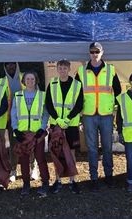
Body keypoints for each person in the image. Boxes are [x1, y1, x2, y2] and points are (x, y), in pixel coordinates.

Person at [75, 42, 122, 192]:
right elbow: (77, 93)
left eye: (97, 51)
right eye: (92, 51)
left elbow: (118, 91)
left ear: (102, 53)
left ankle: (109, 176)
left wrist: (109, 105)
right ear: (89, 53)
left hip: (106, 115)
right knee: (92, 149)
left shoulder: (111, 70)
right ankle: (94, 178)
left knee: (107, 148)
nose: (94, 54)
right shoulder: (81, 71)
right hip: (89, 115)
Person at [45, 59, 84, 194]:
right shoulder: (52, 84)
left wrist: (67, 118)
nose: (62, 71)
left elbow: (79, 104)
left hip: (71, 124)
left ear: (69, 69)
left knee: (71, 152)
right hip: (56, 125)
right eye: (60, 68)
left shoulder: (77, 85)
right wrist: (57, 119)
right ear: (57, 69)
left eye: (64, 68)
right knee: (57, 152)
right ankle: (58, 180)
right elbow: (48, 104)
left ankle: (72, 180)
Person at [10, 71, 50, 196]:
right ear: (23, 81)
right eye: (27, 79)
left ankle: (45, 182)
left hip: (37, 133)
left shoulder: (42, 95)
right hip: (23, 133)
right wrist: (15, 129)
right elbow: (13, 114)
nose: (30, 81)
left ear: (36, 80)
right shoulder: (18, 95)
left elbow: (45, 113)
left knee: (40, 158)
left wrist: (43, 128)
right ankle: (26, 183)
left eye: (32, 79)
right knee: (24, 159)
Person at [2, 62, 39, 182]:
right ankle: (13, 169)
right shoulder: (1, 81)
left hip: (30, 119)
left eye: (13, 65)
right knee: (14, 145)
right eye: (8, 65)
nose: (11, 67)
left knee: (31, 144)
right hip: (9, 118)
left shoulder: (26, 77)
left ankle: (33, 167)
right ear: (4, 67)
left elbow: (38, 96)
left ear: (17, 65)